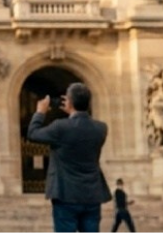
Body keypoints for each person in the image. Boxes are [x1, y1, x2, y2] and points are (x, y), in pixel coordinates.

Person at [26, 83, 112, 232]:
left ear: (69, 102)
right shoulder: (101, 128)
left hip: (65, 193)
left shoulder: (60, 127)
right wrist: (73, 111)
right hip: (92, 193)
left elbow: (33, 133)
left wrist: (40, 112)